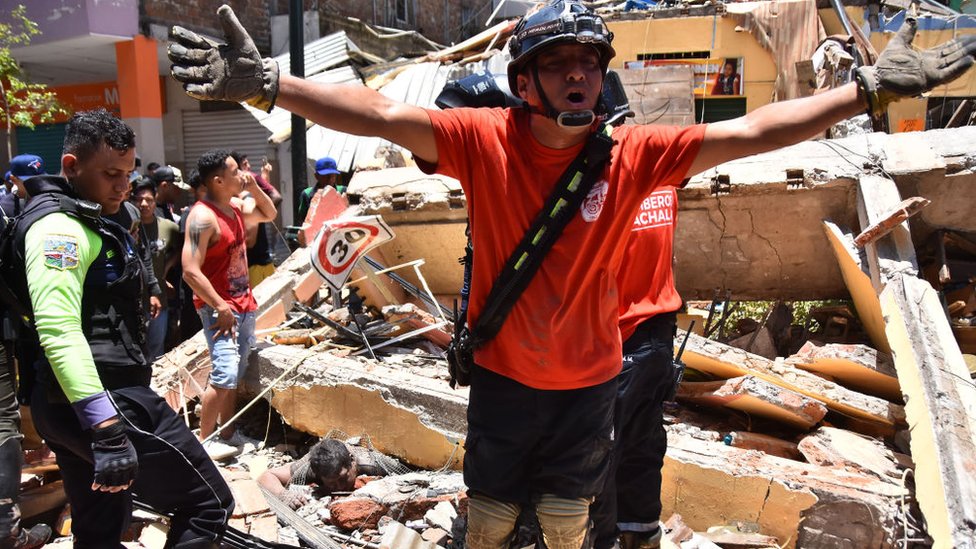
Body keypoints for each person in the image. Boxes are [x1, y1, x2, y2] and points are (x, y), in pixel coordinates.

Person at [168, 4, 976, 547]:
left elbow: (760, 129)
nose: (579, 74)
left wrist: (862, 89)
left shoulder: (634, 154)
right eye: (558, 64)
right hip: (506, 377)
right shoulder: (484, 140)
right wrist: (271, 84)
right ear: (526, 82)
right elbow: (379, 115)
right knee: (486, 518)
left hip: (592, 382)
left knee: (564, 518)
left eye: (589, 61)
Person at [0, 109, 235, 547]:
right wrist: (106, 428)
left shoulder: (87, 218)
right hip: (106, 402)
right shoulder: (59, 230)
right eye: (110, 173)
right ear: (71, 167)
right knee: (209, 505)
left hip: (69, 403)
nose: (124, 186)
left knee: (100, 527)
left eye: (127, 173)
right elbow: (58, 329)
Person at [590, 188, 679, 549]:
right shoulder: (666, 184)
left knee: (603, 448)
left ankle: (605, 539)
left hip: (619, 331)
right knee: (643, 441)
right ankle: (641, 534)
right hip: (658, 334)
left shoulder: (603, 194)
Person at [181, 149, 276, 456]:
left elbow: (270, 214)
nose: (242, 176)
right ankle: (205, 441)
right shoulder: (201, 218)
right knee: (222, 375)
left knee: (233, 373)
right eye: (235, 172)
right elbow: (189, 271)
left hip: (243, 305)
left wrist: (256, 187)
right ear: (219, 180)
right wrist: (220, 306)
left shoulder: (234, 206)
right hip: (219, 310)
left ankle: (229, 431)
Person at [258, 438, 405, 509]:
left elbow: (414, 472)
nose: (340, 487)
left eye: (343, 478)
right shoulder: (309, 467)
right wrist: (285, 495)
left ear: (352, 463)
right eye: (331, 483)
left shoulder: (371, 463)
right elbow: (266, 477)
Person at [131, 179, 181, 361]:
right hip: (133, 300)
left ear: (155, 200)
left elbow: (183, 248)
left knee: (156, 350)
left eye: (149, 200)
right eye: (139, 199)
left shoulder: (167, 227)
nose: (144, 204)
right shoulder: (127, 226)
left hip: (159, 300)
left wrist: (166, 269)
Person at [231, 152, 282, 288]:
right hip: (255, 263)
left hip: (258, 262)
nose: (248, 167)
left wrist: (260, 217)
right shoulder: (240, 198)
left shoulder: (247, 193)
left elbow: (265, 199)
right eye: (244, 164)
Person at [296, 156, 343, 224]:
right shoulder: (307, 194)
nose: (329, 179)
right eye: (326, 176)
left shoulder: (342, 191)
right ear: (316, 176)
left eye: (332, 176)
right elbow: (304, 219)